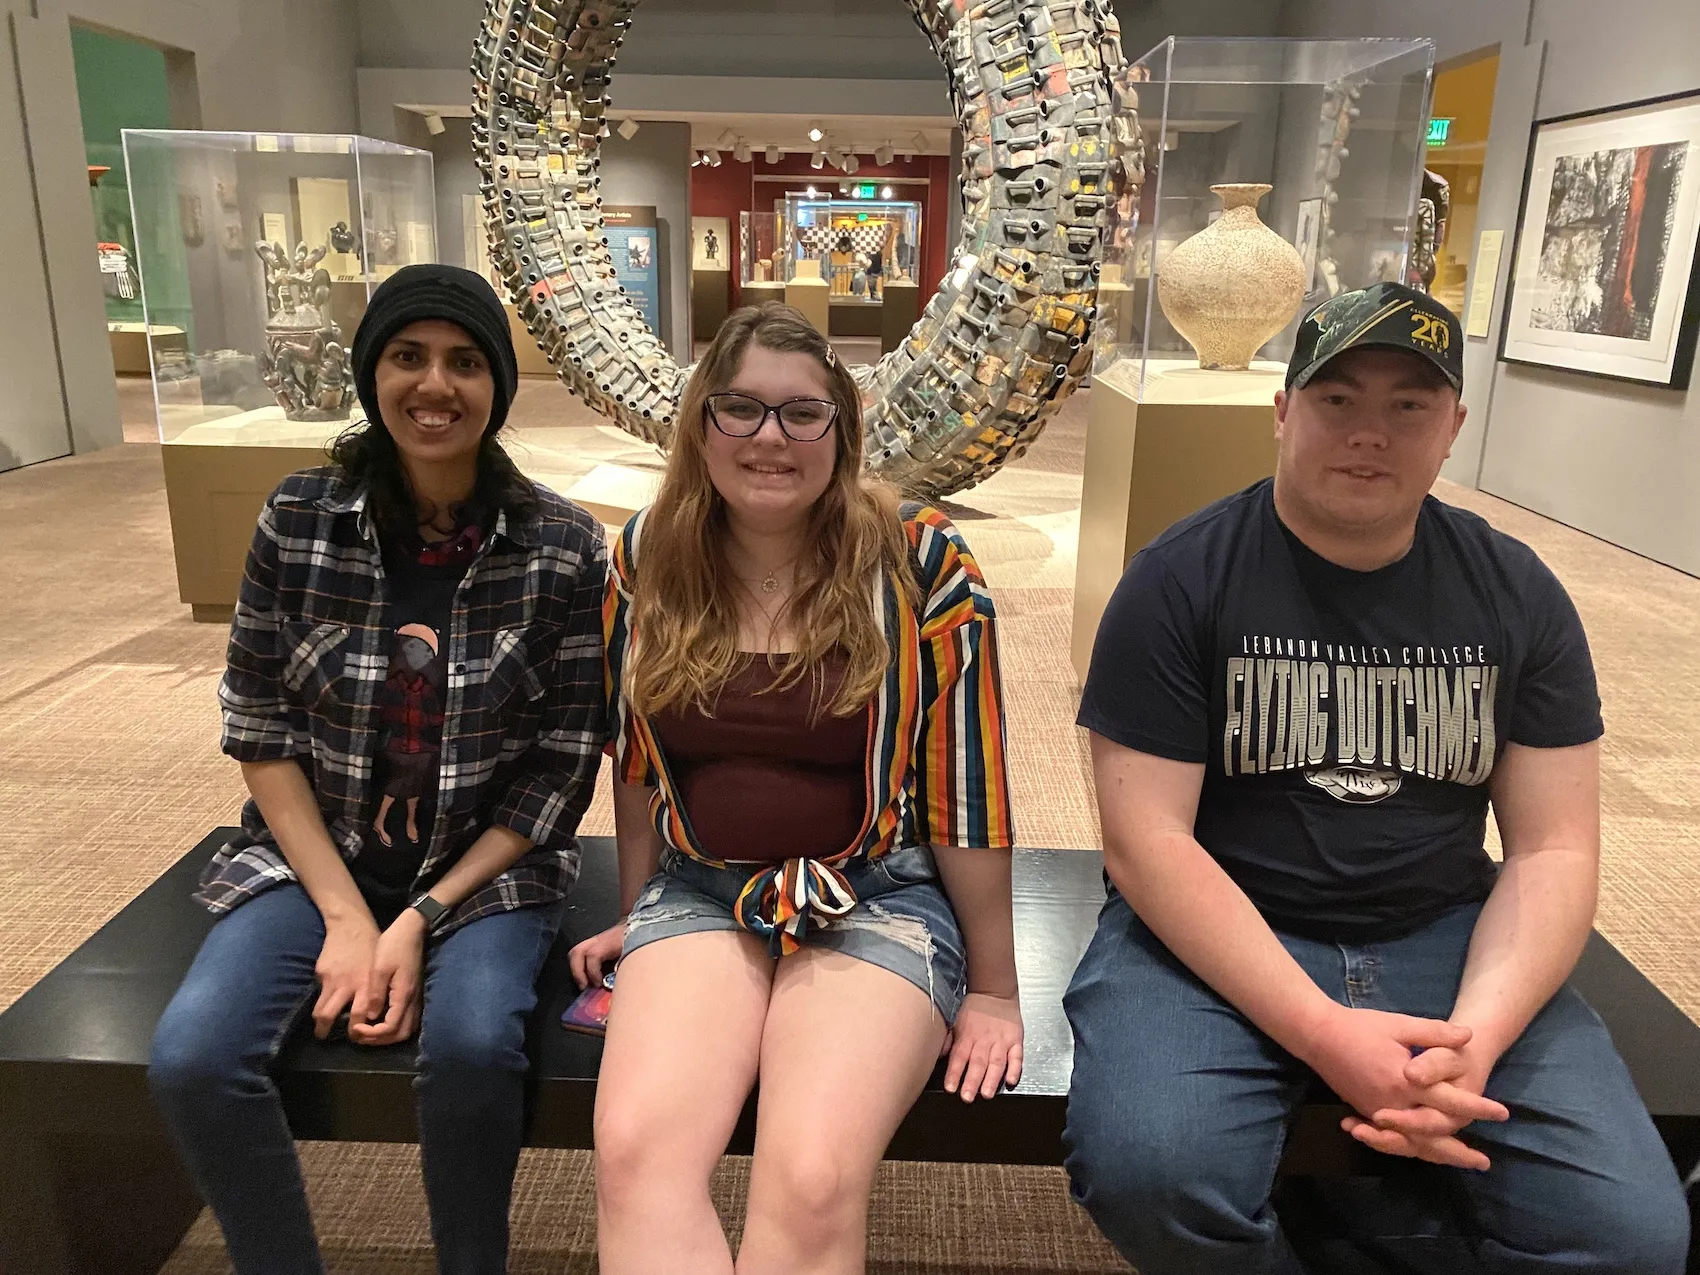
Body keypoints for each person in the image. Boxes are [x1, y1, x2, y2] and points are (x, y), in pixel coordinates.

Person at [1063, 283, 1689, 1273]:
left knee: (1631, 1237)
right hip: (1218, 931)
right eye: (1336, 399)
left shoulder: (1516, 592)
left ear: (1452, 429)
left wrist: (1472, 1041)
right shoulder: (1178, 581)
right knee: (1153, 1173)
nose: (1370, 433)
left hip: (1438, 930)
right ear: (1282, 412)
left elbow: (1554, 847)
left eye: (1409, 405)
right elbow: (1147, 847)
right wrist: (1320, 1032)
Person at [147, 264, 608, 1275]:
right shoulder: (299, 519)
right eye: (408, 356)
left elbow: (560, 768)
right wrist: (350, 917)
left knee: (477, 1050)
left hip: (485, 878)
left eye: (463, 362)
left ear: (496, 386)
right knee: (194, 1058)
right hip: (316, 856)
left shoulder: (563, 546)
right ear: (371, 372)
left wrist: (418, 918)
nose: (434, 385)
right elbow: (259, 729)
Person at [571, 302, 1023, 1274]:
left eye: (801, 414)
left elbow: (966, 790)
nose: (769, 437)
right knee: (636, 1157)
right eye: (739, 409)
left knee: (809, 1173)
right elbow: (640, 764)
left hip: (877, 891)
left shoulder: (919, 558)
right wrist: (632, 911)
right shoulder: (647, 556)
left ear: (840, 432)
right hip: (700, 888)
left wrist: (993, 989)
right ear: (701, 426)